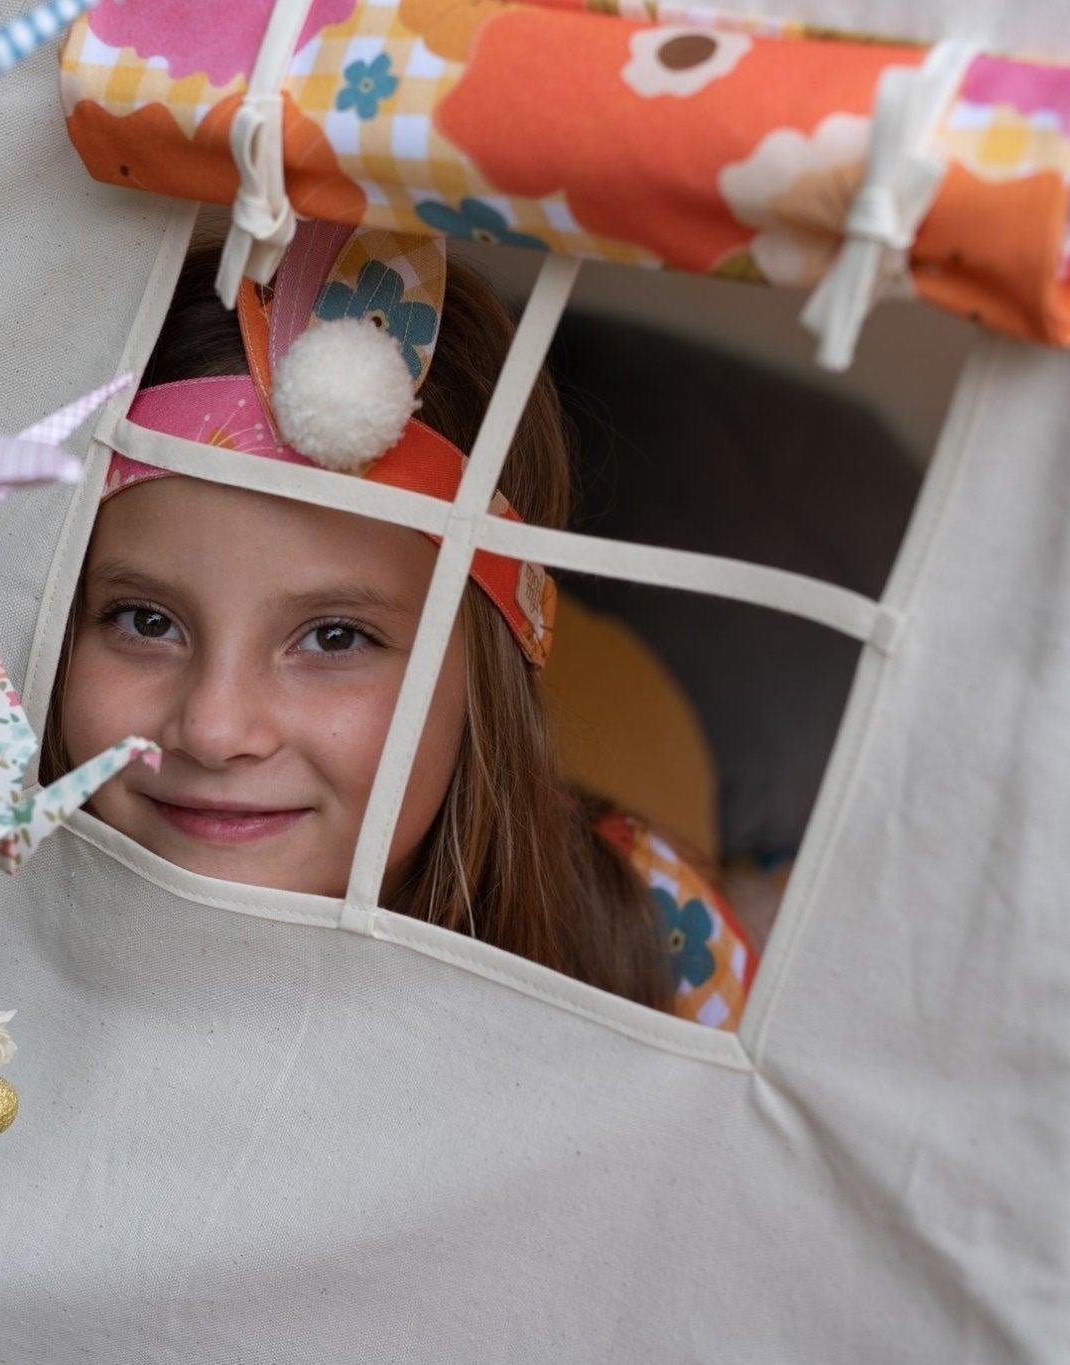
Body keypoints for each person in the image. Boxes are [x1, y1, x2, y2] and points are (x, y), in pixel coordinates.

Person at [41, 228, 755, 1026]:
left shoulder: (650, 944)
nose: (214, 729)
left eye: (335, 637)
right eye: (146, 621)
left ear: (488, 665)